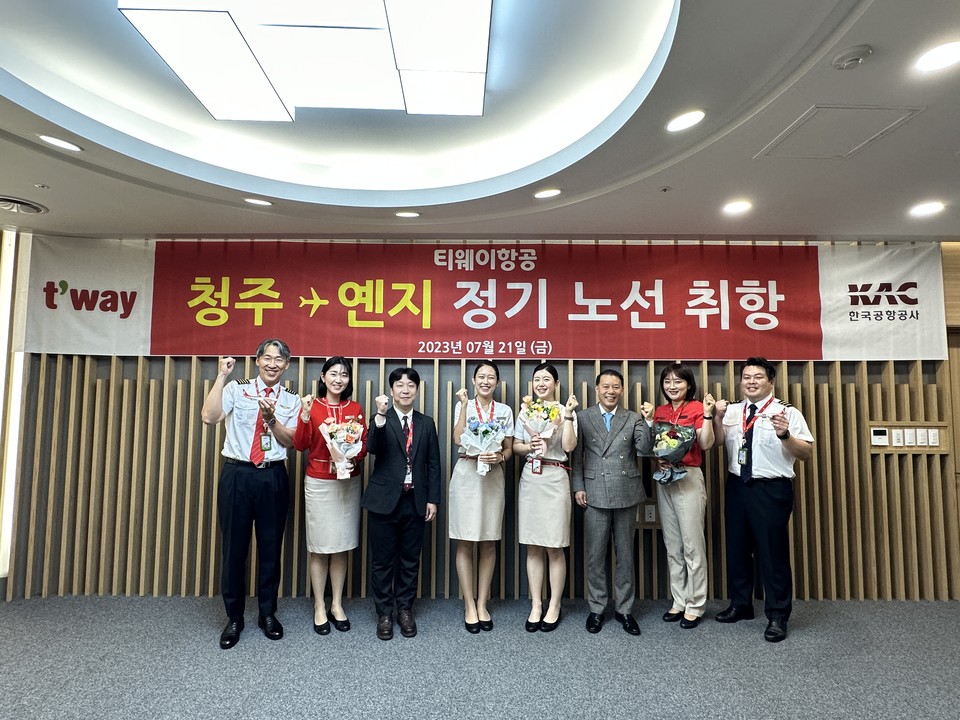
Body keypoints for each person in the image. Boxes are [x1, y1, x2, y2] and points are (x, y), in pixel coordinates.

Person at [200, 338, 300, 649]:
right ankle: (234, 617)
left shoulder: (291, 399)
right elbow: (209, 417)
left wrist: (271, 419)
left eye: (279, 360)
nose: (273, 364)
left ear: (286, 366)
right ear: (257, 360)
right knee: (234, 549)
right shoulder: (236, 389)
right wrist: (220, 376)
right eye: (267, 358)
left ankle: (268, 613)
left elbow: (290, 441)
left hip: (272, 476)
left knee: (271, 549)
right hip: (237, 475)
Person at [712, 357, 813, 643]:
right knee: (737, 548)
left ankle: (778, 615)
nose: (751, 381)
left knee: (772, 552)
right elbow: (719, 442)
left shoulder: (787, 412)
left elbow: (805, 454)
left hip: (771, 489)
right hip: (737, 485)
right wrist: (717, 419)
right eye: (746, 377)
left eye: (758, 377)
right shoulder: (731, 410)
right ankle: (741, 604)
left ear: (771, 381)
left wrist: (785, 435)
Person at [361, 367, 441, 641]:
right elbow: (372, 448)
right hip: (383, 501)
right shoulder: (381, 418)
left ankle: (405, 609)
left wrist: (432, 499)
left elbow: (433, 464)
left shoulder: (426, 423)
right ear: (391, 390)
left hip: (415, 500)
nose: (405, 390)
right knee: (382, 562)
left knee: (409, 560)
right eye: (399, 385)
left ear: (417, 391)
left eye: (411, 385)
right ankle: (384, 613)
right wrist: (380, 416)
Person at [571, 369, 652, 635]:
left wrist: (649, 422)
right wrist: (578, 487)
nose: (610, 391)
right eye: (605, 386)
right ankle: (596, 608)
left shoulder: (633, 418)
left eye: (616, 386)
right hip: (593, 492)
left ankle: (624, 609)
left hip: (626, 490)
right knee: (595, 555)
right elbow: (578, 457)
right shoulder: (583, 417)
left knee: (625, 555)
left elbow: (644, 450)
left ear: (622, 390)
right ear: (596, 389)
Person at [293, 356, 367, 635]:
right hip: (320, 481)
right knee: (320, 545)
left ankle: (337, 604)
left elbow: (363, 445)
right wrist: (303, 415)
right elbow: (300, 445)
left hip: (348, 481)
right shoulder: (313, 406)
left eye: (344, 375)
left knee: (342, 543)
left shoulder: (355, 408)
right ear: (322, 377)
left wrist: (352, 456)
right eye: (333, 374)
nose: (339, 379)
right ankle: (319, 606)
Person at [639, 363, 715, 629]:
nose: (672, 386)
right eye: (668, 381)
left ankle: (695, 604)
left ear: (689, 385)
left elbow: (705, 444)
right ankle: (679, 600)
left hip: (689, 477)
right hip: (665, 480)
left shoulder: (696, 408)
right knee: (673, 544)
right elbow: (653, 446)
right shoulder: (660, 411)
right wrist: (656, 458)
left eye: (678, 382)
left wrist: (707, 416)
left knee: (693, 544)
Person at [448, 360, 515, 633]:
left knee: (489, 541)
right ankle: (469, 605)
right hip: (466, 473)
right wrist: (464, 405)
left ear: (497, 383)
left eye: (491, 377)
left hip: (493, 475)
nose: (486, 381)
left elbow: (510, 449)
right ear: (474, 381)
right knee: (465, 541)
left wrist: (499, 456)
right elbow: (456, 438)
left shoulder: (504, 411)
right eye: (481, 377)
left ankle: (483, 602)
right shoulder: (463, 405)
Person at [512, 363, 578, 633]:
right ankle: (536, 604)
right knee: (533, 545)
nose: (541, 384)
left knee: (555, 545)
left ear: (556, 384)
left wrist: (570, 418)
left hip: (555, 475)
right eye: (537, 379)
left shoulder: (564, 411)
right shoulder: (525, 411)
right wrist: (531, 444)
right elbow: (516, 446)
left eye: (546, 379)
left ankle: (554, 604)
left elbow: (569, 447)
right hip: (531, 477)